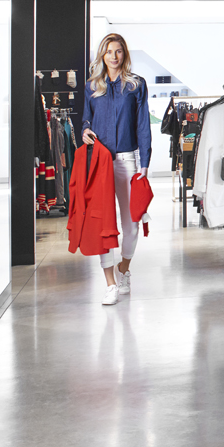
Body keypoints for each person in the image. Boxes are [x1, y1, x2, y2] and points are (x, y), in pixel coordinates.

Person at [82, 32, 151, 305]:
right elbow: (86, 119)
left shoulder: (136, 85)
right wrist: (85, 130)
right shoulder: (92, 86)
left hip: (127, 160)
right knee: (103, 223)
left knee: (132, 223)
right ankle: (110, 283)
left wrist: (144, 162)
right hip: (99, 161)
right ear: (102, 54)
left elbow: (143, 125)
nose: (114, 56)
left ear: (124, 54)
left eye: (118, 51)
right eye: (109, 51)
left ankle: (124, 268)